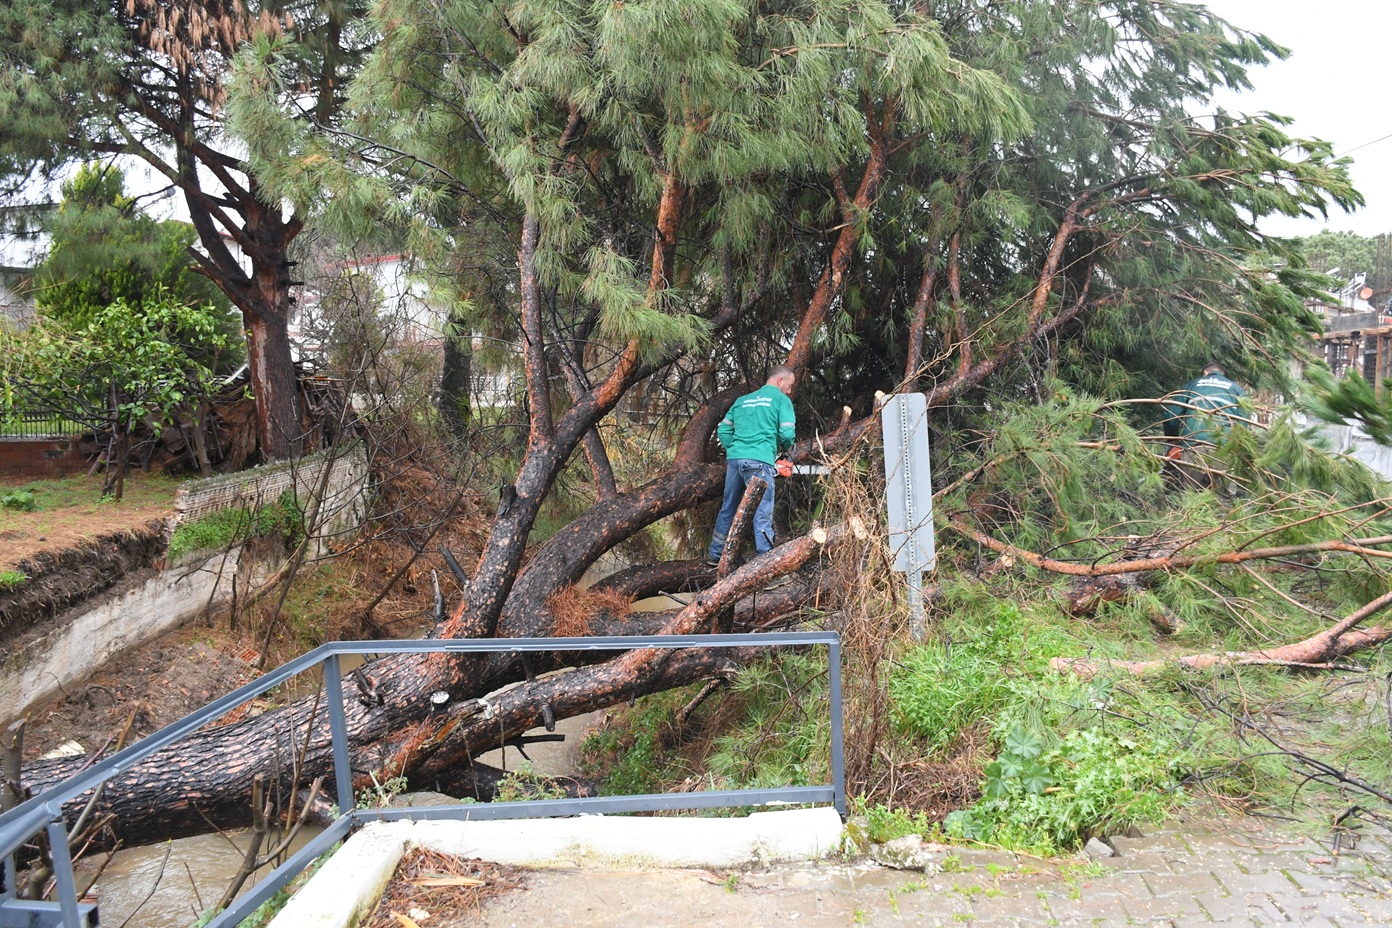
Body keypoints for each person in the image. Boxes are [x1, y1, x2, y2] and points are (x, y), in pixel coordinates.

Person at [706, 366, 797, 567]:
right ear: (780, 381)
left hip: (735, 461)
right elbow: (787, 435)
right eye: (789, 386)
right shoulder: (782, 401)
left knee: (728, 507)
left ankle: (715, 555)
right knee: (762, 513)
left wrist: (735, 449)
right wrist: (783, 451)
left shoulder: (742, 401)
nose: (790, 391)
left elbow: (723, 430)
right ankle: (764, 564)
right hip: (760, 463)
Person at [1162, 361, 1246, 475]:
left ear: (1205, 373)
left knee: (1190, 489)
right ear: (1222, 373)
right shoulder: (1237, 389)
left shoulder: (1193, 384)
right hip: (1224, 448)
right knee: (1222, 490)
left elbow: (1172, 414)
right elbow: (1243, 423)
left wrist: (1172, 438)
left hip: (1194, 444)